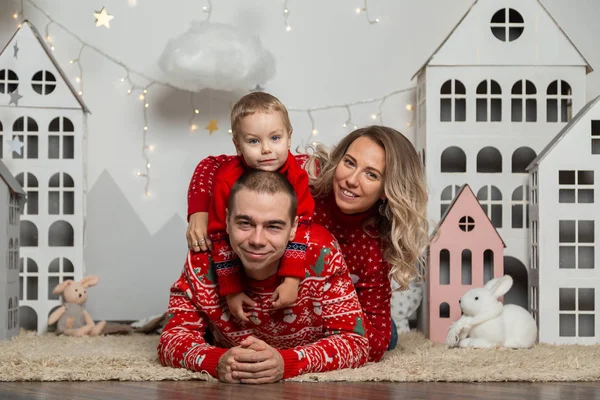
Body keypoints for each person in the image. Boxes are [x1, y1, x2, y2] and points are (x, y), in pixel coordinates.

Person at [186, 125, 429, 362]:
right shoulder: (305, 176)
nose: (352, 180)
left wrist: (327, 312)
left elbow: (375, 341)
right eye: (349, 162)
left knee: (391, 337)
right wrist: (199, 212)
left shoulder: (375, 246)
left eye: (371, 174)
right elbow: (215, 165)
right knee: (216, 322)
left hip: (325, 318)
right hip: (264, 301)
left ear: (388, 189)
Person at [159, 170, 369, 383]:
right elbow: (170, 340)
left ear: (293, 228)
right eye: (245, 223)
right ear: (227, 220)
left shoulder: (322, 252)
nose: (257, 240)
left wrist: (286, 362)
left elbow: (355, 343)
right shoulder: (203, 260)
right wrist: (216, 360)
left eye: (273, 226)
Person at [198, 92, 314, 321]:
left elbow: (302, 226)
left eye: (275, 138)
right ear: (237, 145)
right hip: (241, 259)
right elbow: (220, 235)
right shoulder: (226, 179)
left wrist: (291, 279)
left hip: (280, 257)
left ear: (289, 137)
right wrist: (231, 289)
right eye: (253, 141)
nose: (266, 149)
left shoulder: (297, 175)